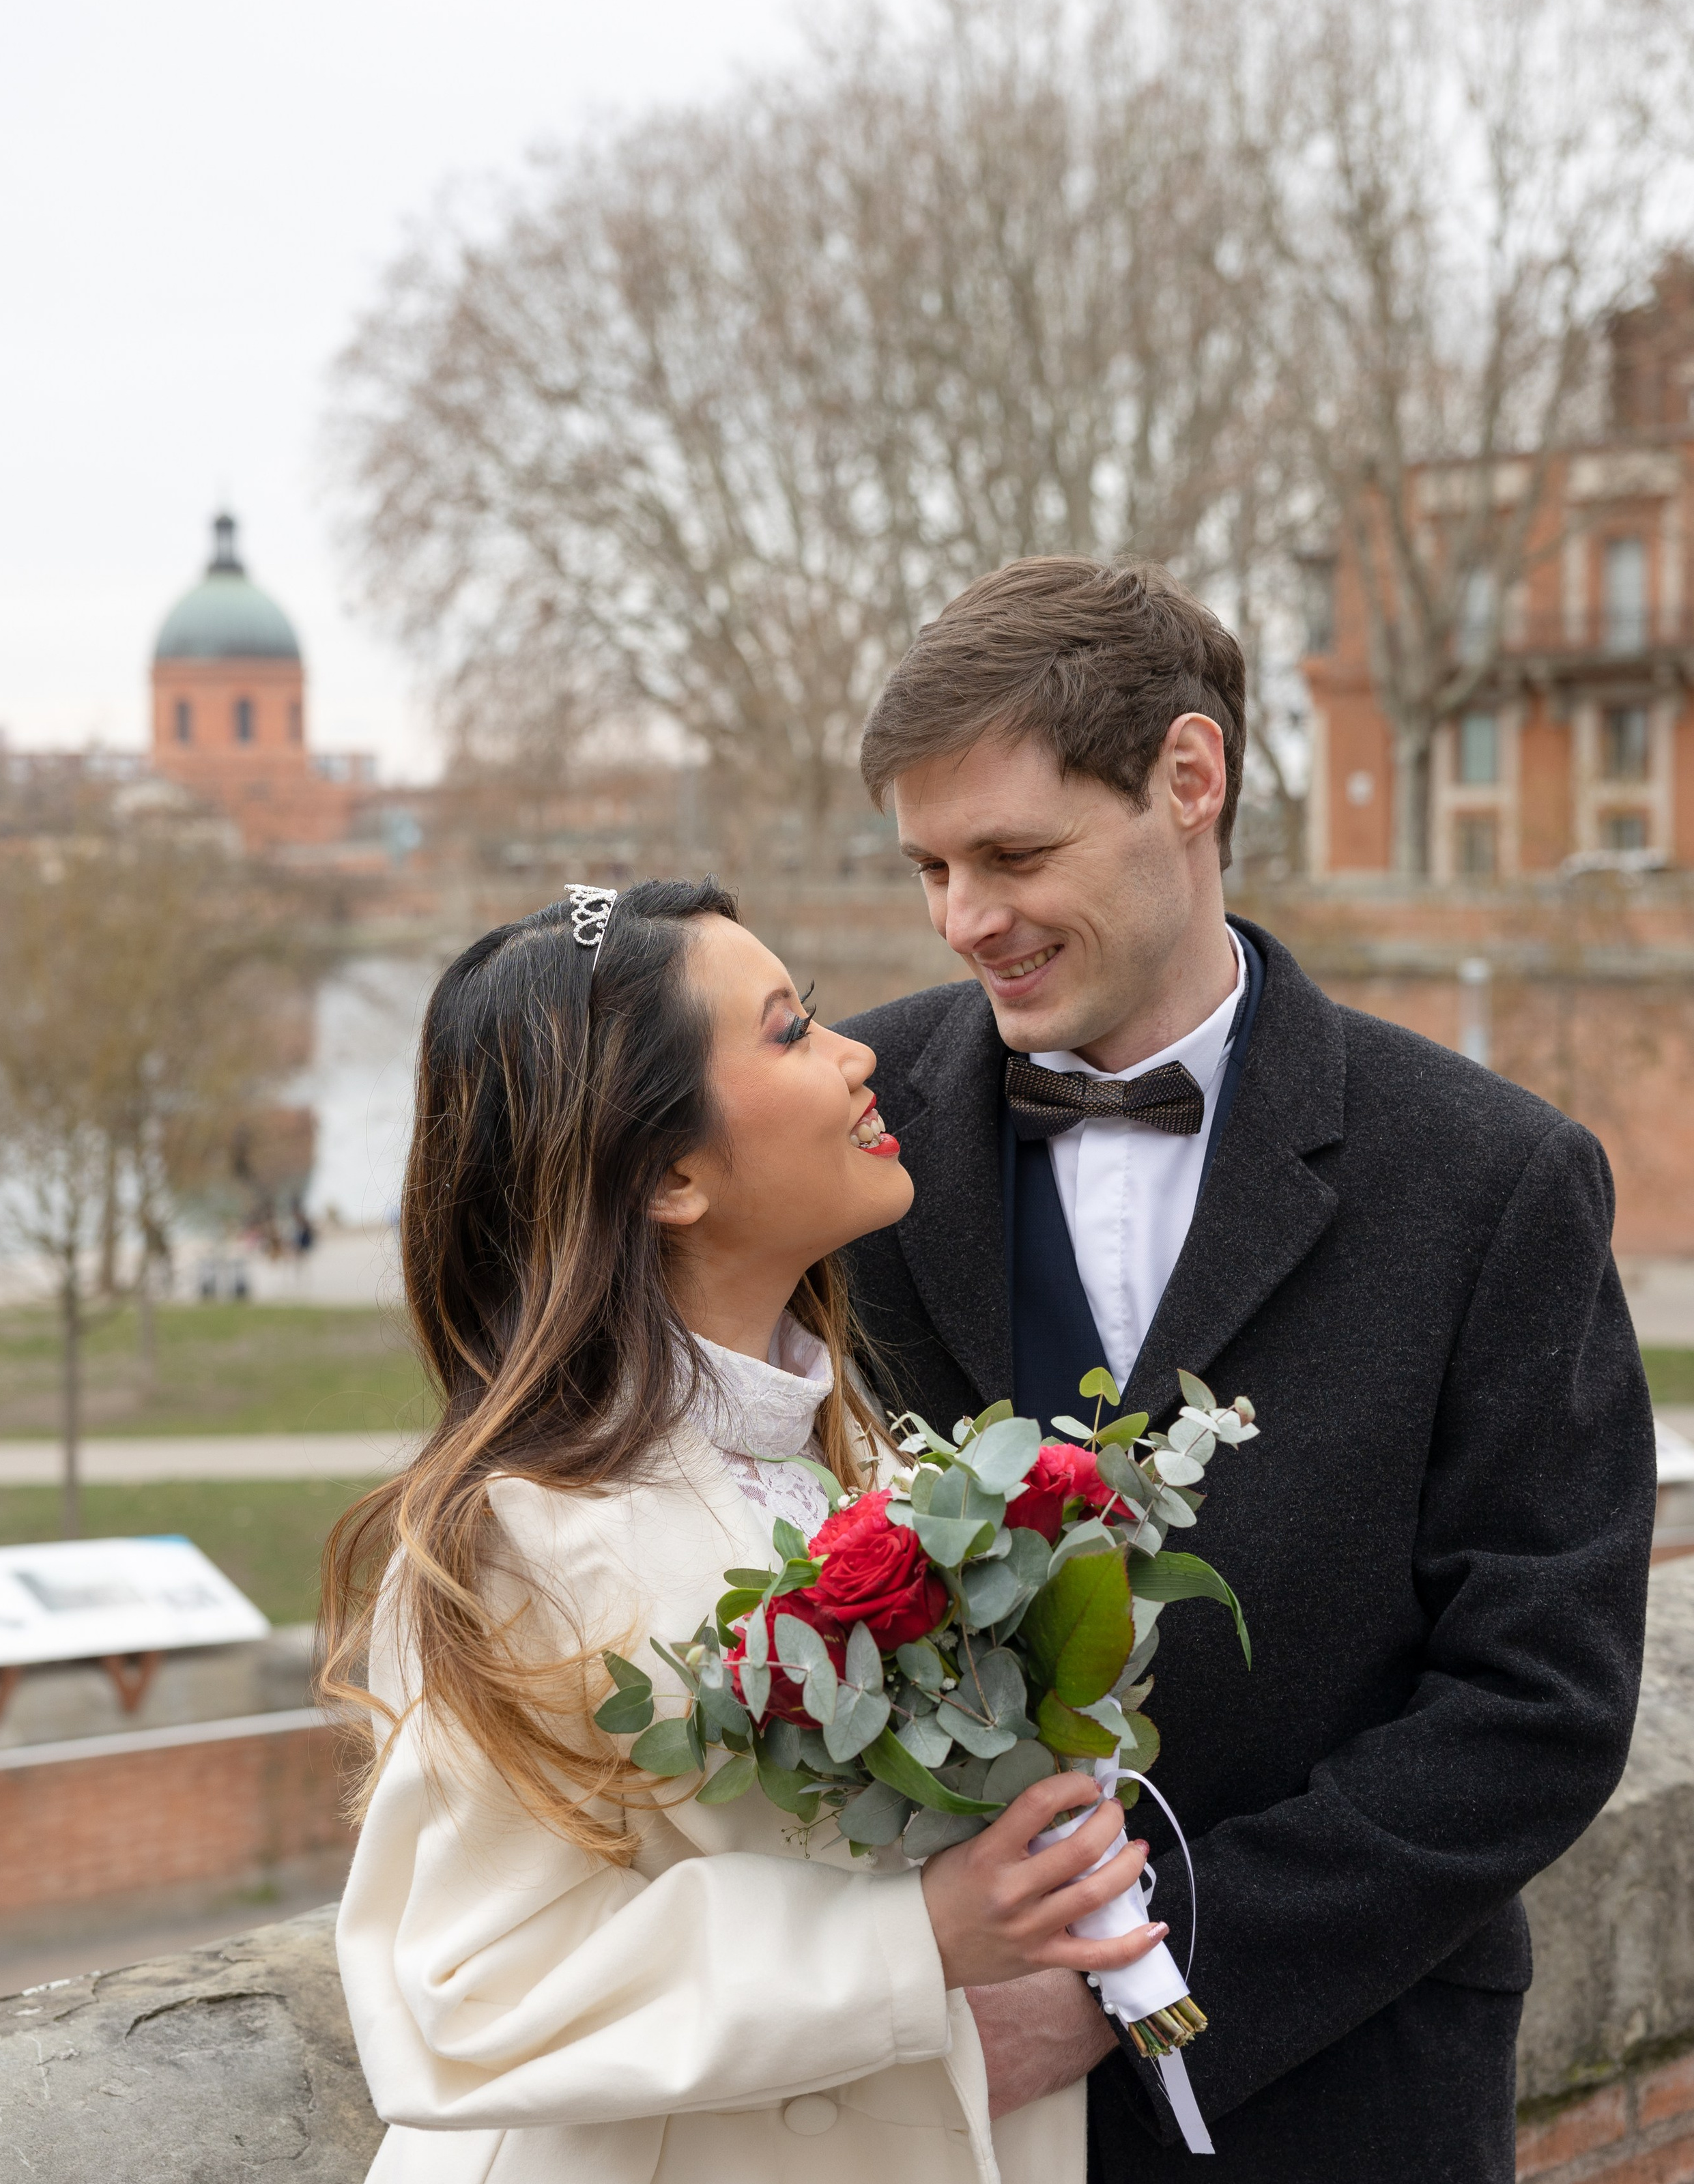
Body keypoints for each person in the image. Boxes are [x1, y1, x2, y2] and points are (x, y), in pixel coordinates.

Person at [833, 557, 1658, 2183]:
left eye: (1012, 854)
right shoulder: (842, 1135)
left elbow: (1539, 1702)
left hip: (1345, 2097)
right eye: (929, 865)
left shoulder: (1491, 1179)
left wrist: (1150, 1982)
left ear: (1187, 778)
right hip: (920, 2112)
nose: (961, 919)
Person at [324, 877, 1168, 2184]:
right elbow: (464, 1996)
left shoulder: (874, 1469)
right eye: (789, 1032)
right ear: (668, 1174)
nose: (858, 1054)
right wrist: (920, 1942)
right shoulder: (523, 1536)